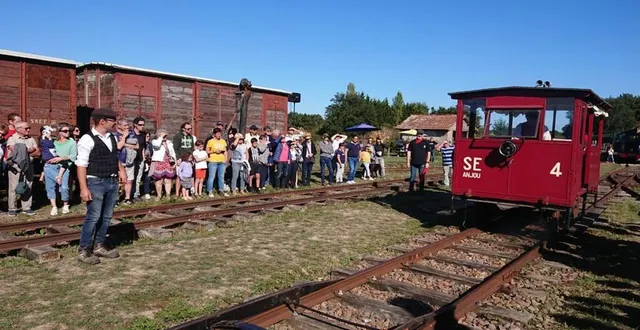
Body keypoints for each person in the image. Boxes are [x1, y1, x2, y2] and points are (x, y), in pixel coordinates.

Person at [75, 108, 126, 264]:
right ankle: (84, 250)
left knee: (106, 216)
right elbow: (81, 165)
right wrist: (84, 188)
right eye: (112, 120)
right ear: (102, 121)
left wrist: (121, 170)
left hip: (111, 181)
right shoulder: (87, 139)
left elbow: (113, 155)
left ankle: (99, 246)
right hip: (95, 181)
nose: (115, 122)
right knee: (93, 217)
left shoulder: (110, 137)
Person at [6, 120, 39, 216]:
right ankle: (12, 208)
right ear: (18, 129)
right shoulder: (12, 139)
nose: (29, 130)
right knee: (13, 186)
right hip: (16, 166)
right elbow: (15, 151)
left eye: (29, 128)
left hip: (29, 165)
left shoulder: (31, 139)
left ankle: (27, 207)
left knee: (28, 184)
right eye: (26, 128)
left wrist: (23, 149)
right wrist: (29, 150)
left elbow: (37, 152)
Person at [172, 122, 195, 198]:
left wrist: (192, 157)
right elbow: (176, 148)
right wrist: (178, 158)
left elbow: (192, 148)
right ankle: (177, 193)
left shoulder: (190, 137)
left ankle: (185, 192)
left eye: (191, 128)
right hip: (181, 157)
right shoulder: (178, 136)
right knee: (179, 176)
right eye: (188, 129)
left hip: (188, 158)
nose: (190, 130)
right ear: (183, 129)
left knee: (187, 175)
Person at [206, 128, 228, 197]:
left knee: (221, 177)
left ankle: (221, 190)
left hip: (221, 161)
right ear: (214, 134)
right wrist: (214, 151)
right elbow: (207, 151)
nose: (219, 135)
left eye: (220, 133)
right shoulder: (210, 141)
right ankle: (210, 191)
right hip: (213, 161)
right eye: (217, 133)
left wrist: (225, 160)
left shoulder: (223, 141)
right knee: (211, 177)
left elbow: (225, 151)